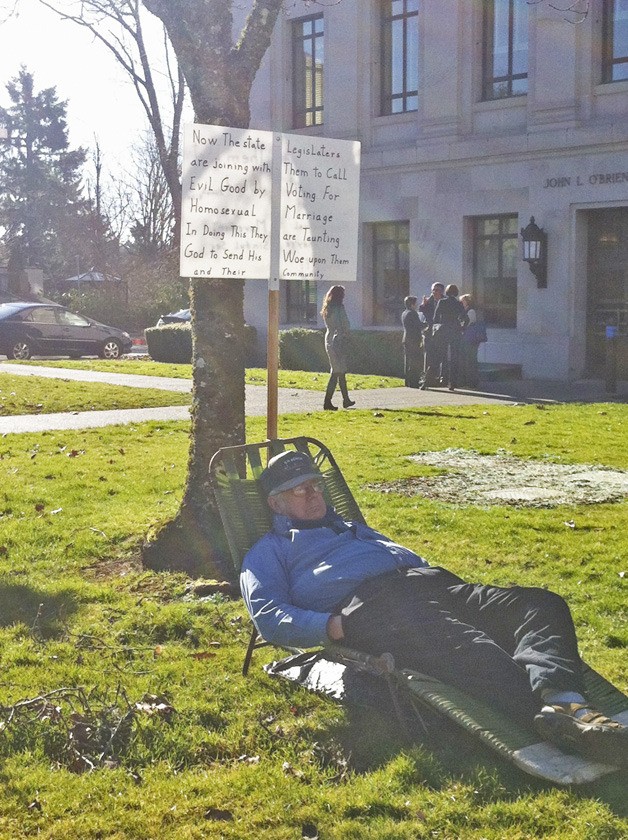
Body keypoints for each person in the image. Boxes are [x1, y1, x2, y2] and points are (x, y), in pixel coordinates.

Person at [241, 450, 628, 768]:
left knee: (539, 605)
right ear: (276, 503)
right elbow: (271, 619)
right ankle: (563, 722)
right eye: (297, 490)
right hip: (376, 609)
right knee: (473, 649)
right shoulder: (268, 553)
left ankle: (563, 703)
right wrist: (336, 626)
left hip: (434, 584)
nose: (312, 494)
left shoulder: (354, 528)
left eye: (314, 485)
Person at [321, 285, 355, 410]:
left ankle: (346, 400)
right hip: (338, 340)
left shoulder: (327, 307)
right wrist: (347, 334)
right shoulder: (339, 308)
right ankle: (327, 402)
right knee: (337, 372)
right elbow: (344, 324)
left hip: (329, 339)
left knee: (340, 371)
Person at [431, 284, 468, 391]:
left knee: (441, 355)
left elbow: (435, 318)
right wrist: (462, 328)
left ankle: (439, 377)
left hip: (443, 331)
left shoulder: (442, 302)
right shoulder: (458, 304)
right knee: (454, 357)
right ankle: (452, 382)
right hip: (455, 331)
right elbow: (465, 318)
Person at [418, 283, 445, 388]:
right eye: (433, 290)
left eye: (437, 290)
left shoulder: (445, 301)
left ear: (442, 291)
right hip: (429, 332)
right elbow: (422, 312)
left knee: (440, 355)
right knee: (428, 355)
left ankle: (439, 377)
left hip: (440, 332)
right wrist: (423, 305)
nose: (435, 292)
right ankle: (427, 378)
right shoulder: (429, 301)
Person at [459, 293, 485, 388]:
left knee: (471, 360)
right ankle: (468, 381)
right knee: (468, 360)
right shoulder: (466, 311)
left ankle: (472, 382)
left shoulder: (471, 311)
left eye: (462, 301)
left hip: (471, 339)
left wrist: (461, 327)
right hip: (468, 338)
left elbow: (469, 323)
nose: (461, 303)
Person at [401, 296, 424, 388]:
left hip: (406, 338)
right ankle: (414, 382)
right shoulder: (413, 313)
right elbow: (418, 325)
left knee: (408, 360)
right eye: (415, 303)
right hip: (413, 339)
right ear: (412, 304)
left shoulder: (404, 313)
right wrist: (427, 324)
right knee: (414, 361)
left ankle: (408, 381)